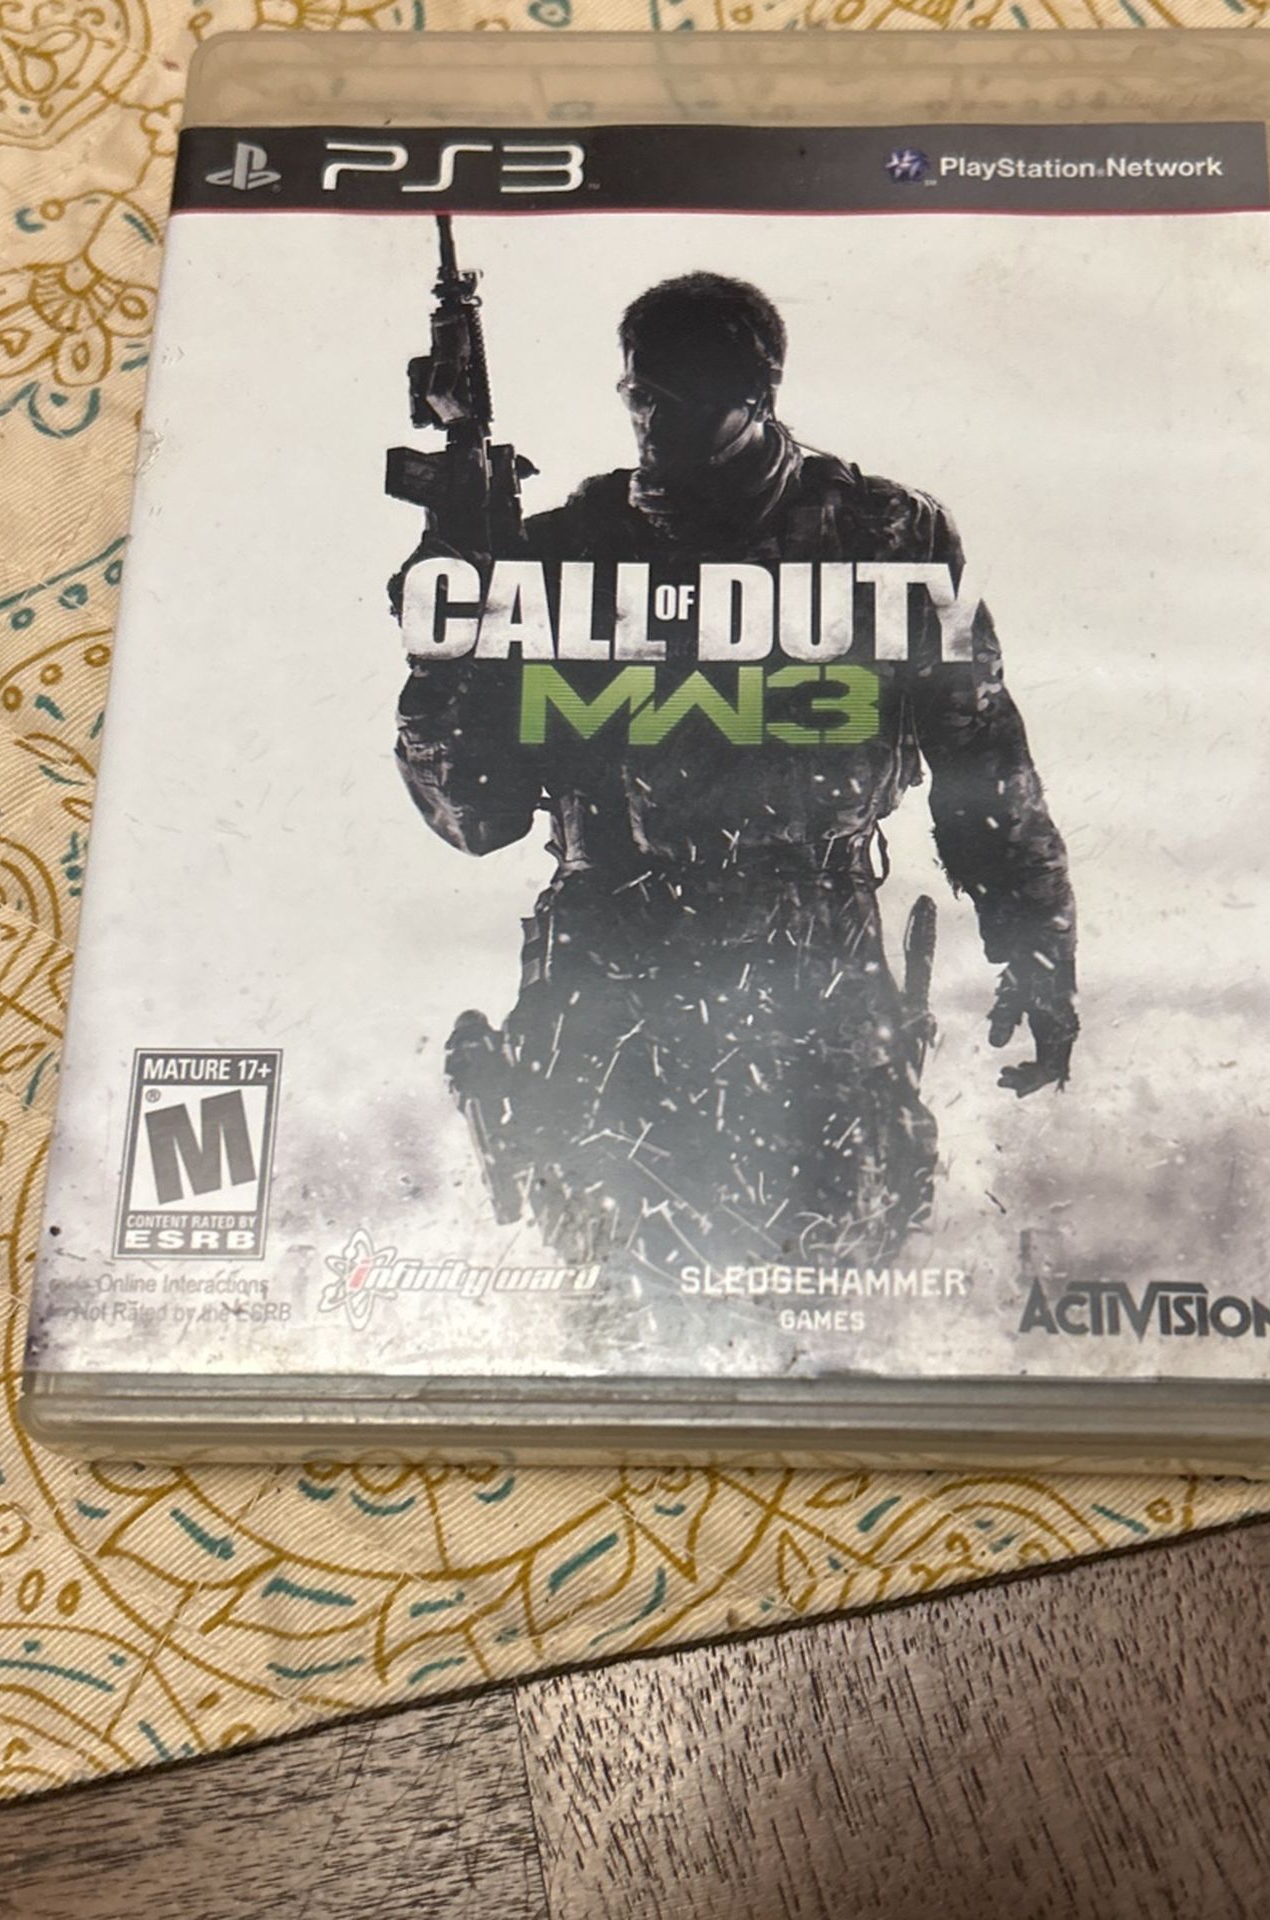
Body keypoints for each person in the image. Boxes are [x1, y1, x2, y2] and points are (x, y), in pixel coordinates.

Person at [394, 271, 1075, 1284]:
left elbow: (984, 757)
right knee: (621, 1299)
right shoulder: (565, 550)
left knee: (827, 1280)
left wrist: (1037, 947)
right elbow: (475, 816)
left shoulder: (886, 536)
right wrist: (448, 624)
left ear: (759, 394)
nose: (654, 423)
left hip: (814, 974)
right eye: (640, 395)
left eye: (686, 398)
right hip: (615, 979)